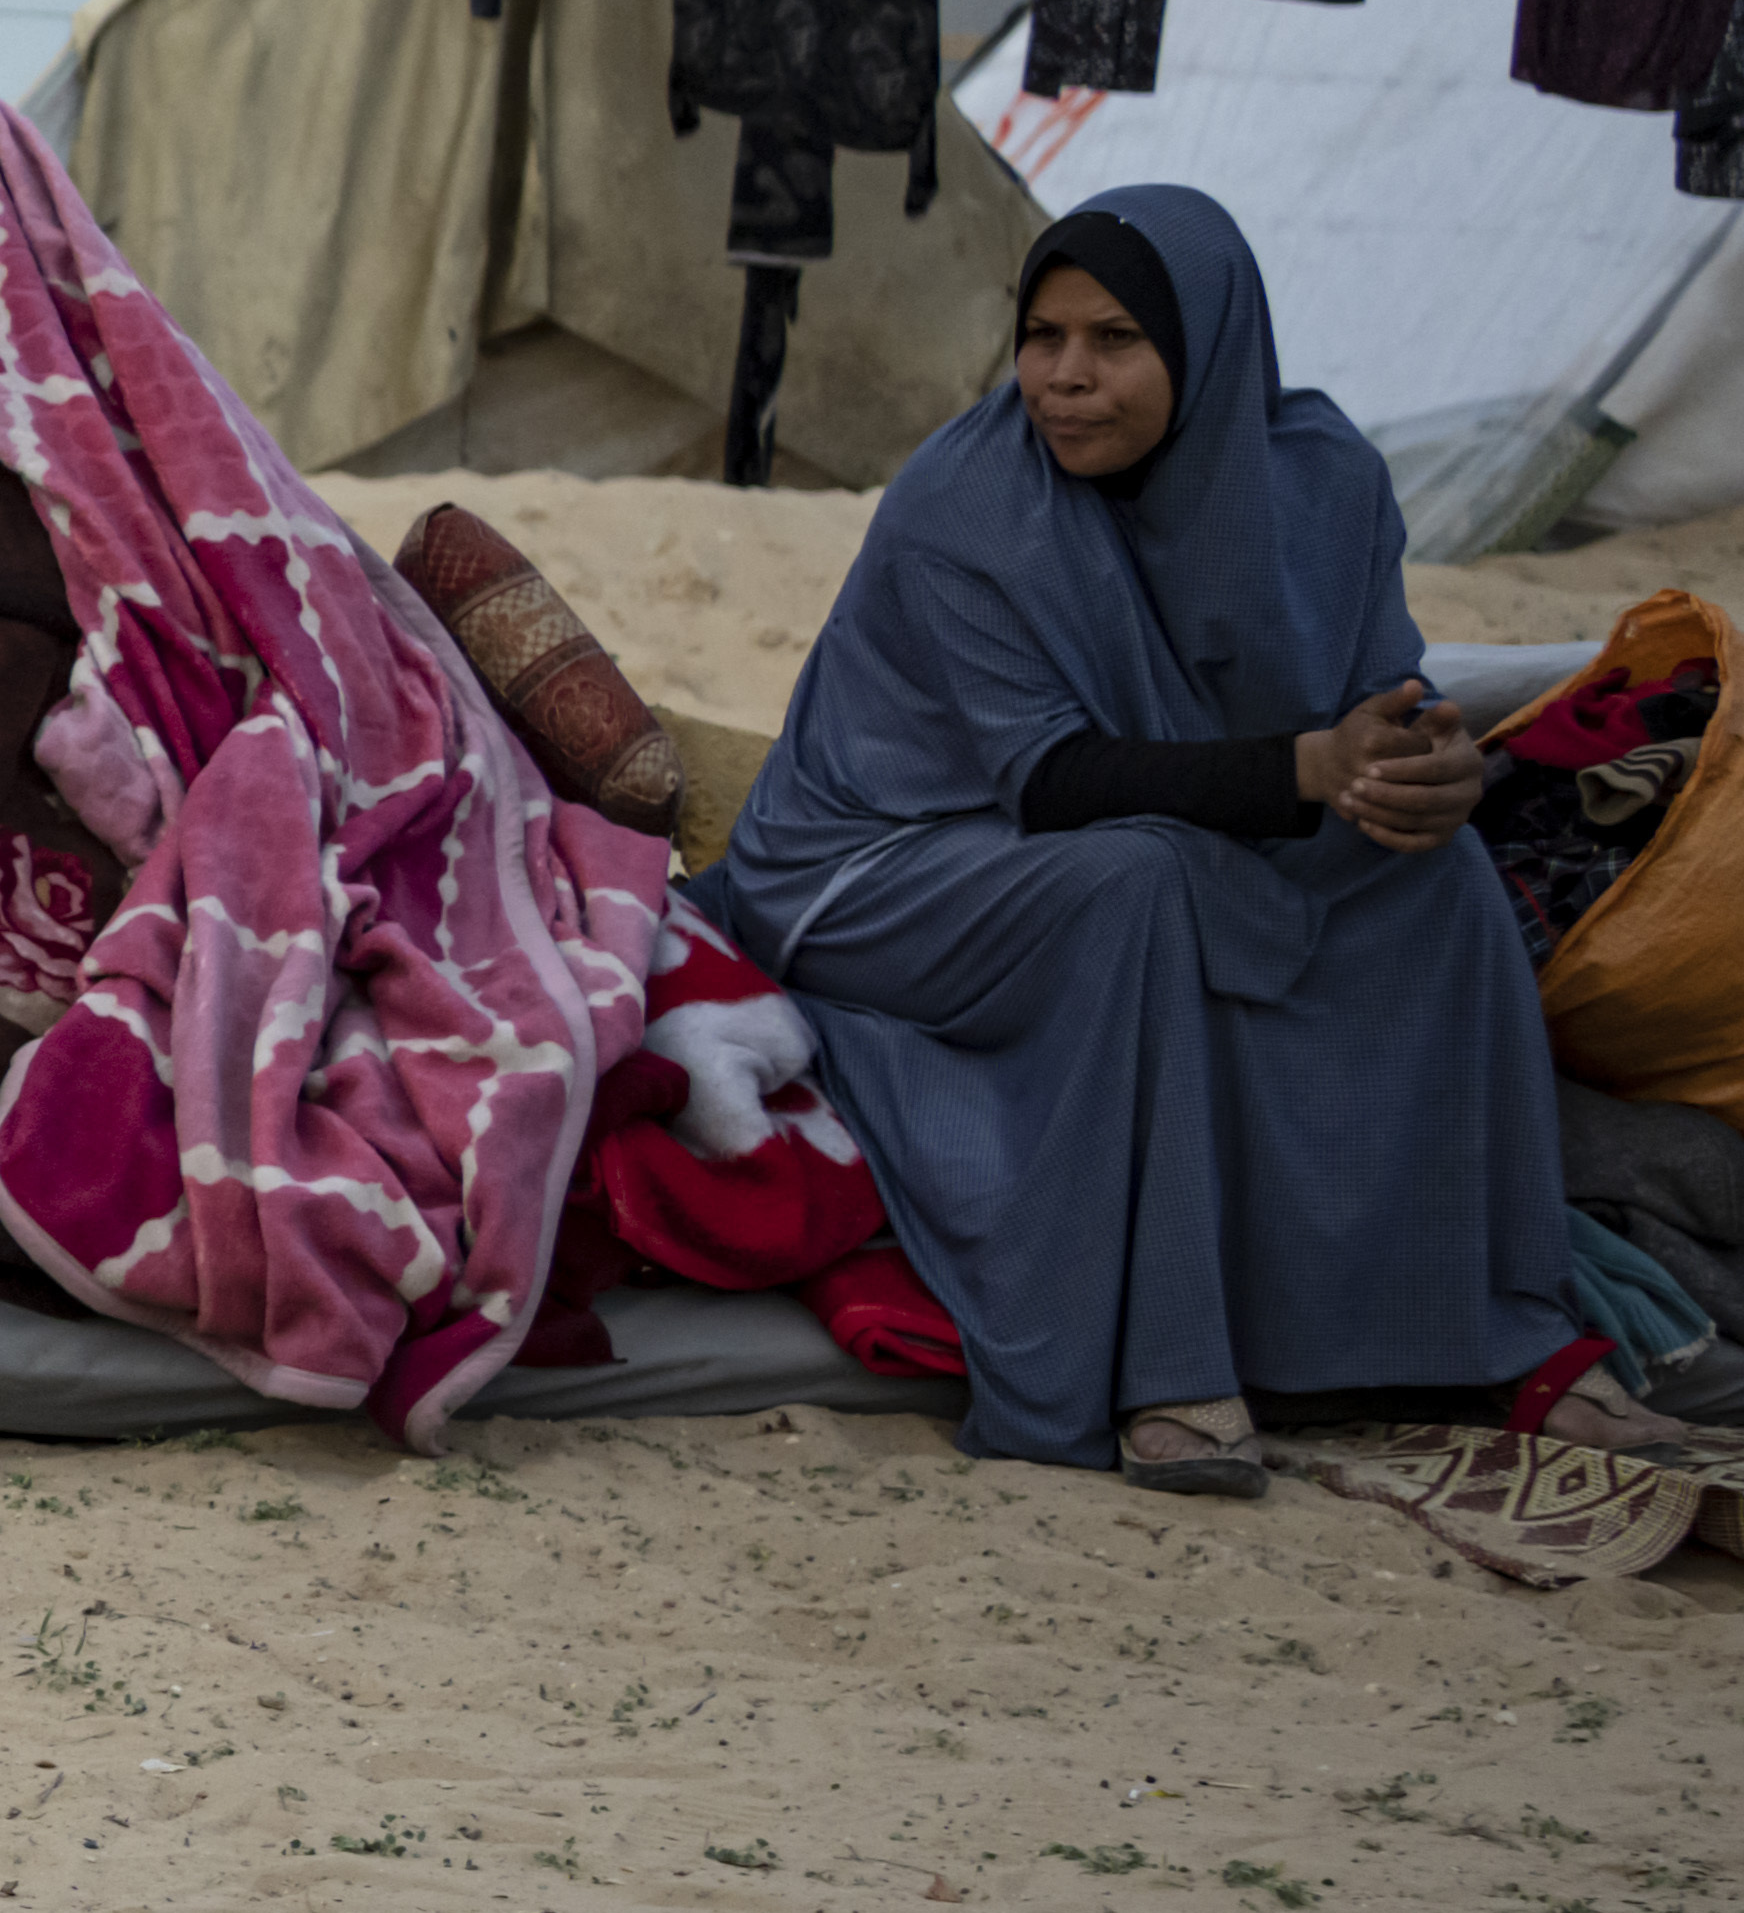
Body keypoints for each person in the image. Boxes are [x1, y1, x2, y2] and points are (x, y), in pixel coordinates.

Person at [709, 190, 1723, 1492]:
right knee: (1141, 885)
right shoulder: (965, 505)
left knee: (1440, 888)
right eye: (1042, 336)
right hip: (879, 869)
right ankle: (1167, 1361)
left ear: (1206, 348)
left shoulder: (1323, 481)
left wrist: (1430, 773)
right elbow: (1057, 777)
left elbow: (1383, 701)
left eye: (1115, 339)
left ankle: (1502, 1330)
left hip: (1184, 823)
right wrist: (1311, 771)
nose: (1066, 379)